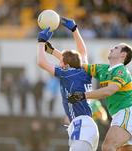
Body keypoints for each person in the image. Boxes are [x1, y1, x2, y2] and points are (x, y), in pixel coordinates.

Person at [37, 17, 99, 151]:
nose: (59, 63)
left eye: (61, 62)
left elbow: (41, 62)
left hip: (81, 125)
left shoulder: (66, 73)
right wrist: (74, 29)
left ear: (65, 65)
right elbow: (83, 53)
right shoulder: (83, 71)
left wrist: (41, 43)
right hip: (89, 126)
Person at [68, 43, 132, 151]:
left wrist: (83, 95)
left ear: (123, 55)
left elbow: (109, 91)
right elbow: (79, 64)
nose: (112, 48)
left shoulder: (122, 71)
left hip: (126, 114)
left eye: (116, 48)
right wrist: (53, 52)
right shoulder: (103, 69)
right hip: (121, 117)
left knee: (107, 147)